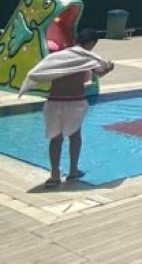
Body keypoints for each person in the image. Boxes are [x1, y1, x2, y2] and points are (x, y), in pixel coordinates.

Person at [43, 28, 114, 188]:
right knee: (74, 136)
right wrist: (109, 68)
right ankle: (73, 170)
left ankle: (54, 175)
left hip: (54, 100)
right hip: (74, 101)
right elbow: (99, 72)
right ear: (91, 43)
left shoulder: (59, 55)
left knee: (55, 138)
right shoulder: (86, 57)